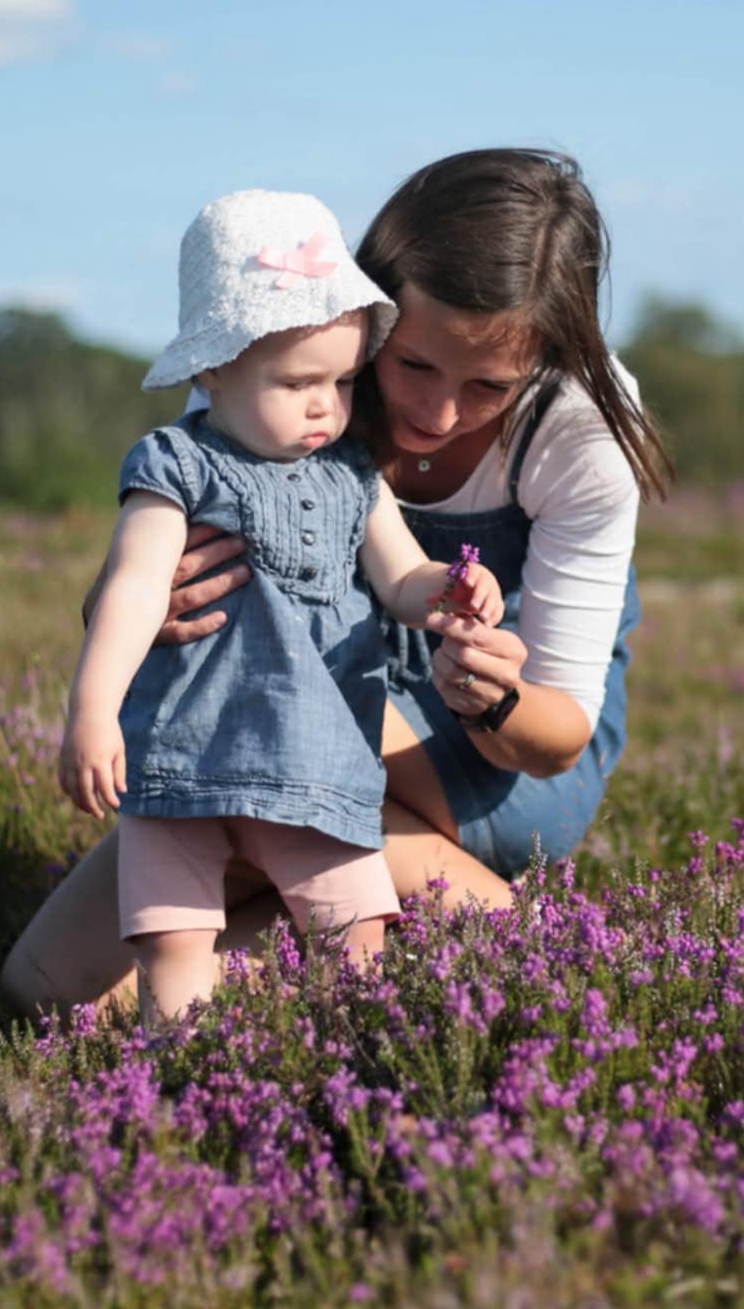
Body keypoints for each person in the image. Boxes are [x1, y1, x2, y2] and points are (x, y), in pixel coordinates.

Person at [0, 147, 670, 1024]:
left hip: (503, 759)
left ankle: (492, 922)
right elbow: (146, 564)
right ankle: (405, 922)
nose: (435, 415)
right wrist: (131, 607)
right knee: (43, 989)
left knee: (264, 721)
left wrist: (490, 695)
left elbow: (553, 742)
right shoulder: (287, 357)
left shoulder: (580, 433)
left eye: (489, 386)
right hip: (292, 718)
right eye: (414, 367)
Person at [56, 188, 504, 1027]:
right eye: (296, 381)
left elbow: (401, 578)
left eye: (340, 380)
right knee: (175, 940)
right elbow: (134, 587)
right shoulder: (175, 466)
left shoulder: (352, 472)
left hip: (314, 751)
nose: (324, 406)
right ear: (214, 366)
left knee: (353, 931)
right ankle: (177, 1083)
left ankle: (345, 1062)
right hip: (181, 752)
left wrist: (449, 589)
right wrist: (93, 711)